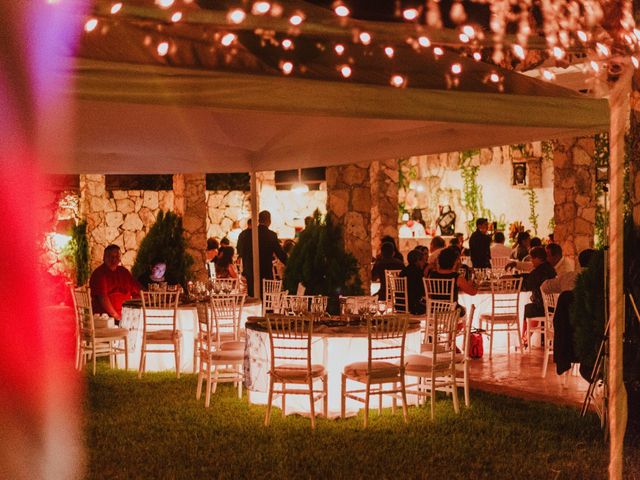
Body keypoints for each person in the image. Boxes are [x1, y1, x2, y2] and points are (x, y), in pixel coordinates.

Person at [237, 210, 287, 297]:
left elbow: (242, 252)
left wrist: (245, 270)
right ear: (269, 221)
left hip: (251, 271)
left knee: (253, 299)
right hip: (265, 272)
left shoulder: (246, 234)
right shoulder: (271, 235)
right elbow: (280, 254)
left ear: (259, 220)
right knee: (266, 299)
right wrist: (291, 264)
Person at [89, 244, 141, 323]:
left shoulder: (123, 272)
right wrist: (117, 317)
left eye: (117, 257)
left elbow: (136, 289)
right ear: (104, 258)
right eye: (110, 257)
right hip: (106, 319)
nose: (114, 260)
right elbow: (103, 298)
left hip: (125, 316)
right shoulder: (99, 274)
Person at [521, 246, 556, 344]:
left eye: (532, 258)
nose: (531, 261)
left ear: (537, 258)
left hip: (543, 307)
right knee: (531, 307)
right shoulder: (549, 268)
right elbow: (529, 277)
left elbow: (528, 285)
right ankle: (526, 337)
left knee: (529, 308)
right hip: (552, 307)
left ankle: (525, 338)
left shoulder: (539, 271)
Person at [427, 247, 477, 315]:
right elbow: (472, 292)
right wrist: (477, 284)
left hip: (434, 309)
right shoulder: (457, 277)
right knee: (463, 310)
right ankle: (455, 325)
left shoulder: (431, 275)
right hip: (451, 310)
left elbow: (429, 293)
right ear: (454, 262)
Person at [399, 249, 426, 315]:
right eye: (423, 260)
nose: (424, 262)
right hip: (413, 306)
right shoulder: (418, 272)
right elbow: (422, 291)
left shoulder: (404, 271)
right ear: (417, 261)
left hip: (400, 305)